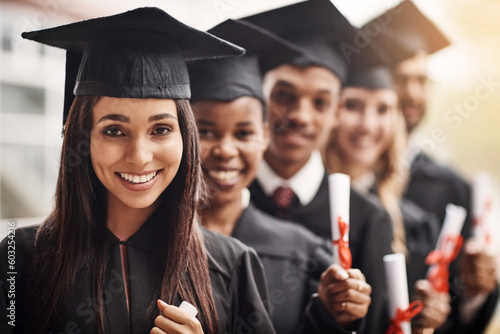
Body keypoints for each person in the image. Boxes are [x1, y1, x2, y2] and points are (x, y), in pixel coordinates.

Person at [0, 8, 276, 334]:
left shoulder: (233, 266)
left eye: (161, 129)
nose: (140, 156)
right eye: (114, 130)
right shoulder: (20, 259)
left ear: (186, 138)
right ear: (82, 137)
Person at [189, 18, 372, 334]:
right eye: (205, 131)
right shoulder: (146, 241)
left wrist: (332, 316)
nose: (226, 150)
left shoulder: (306, 253)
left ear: (263, 137)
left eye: (244, 133)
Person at [240, 1, 394, 332]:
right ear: (259, 97)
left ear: (337, 112)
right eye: (284, 95)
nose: (300, 116)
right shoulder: (227, 199)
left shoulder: (367, 219)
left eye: (320, 102)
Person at [368, 1, 499, 332]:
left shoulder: (453, 187)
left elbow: (464, 319)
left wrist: (474, 291)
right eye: (402, 79)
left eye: (423, 81)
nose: (413, 93)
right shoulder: (347, 178)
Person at [322, 33, 447, 333]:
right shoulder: (299, 209)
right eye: (352, 105)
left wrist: (427, 320)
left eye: (383, 109)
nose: (368, 125)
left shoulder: (414, 223)